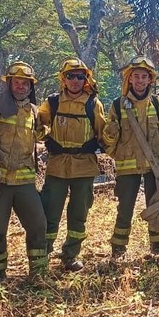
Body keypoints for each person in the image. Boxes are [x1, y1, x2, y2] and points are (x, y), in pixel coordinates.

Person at [0, 61, 47, 283]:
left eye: (26, 83)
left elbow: (40, 137)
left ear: (30, 86)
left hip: (25, 182)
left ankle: (38, 273)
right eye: (17, 82)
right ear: (9, 84)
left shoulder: (35, 112)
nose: (22, 87)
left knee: (38, 225)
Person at [103, 56, 159, 258]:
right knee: (125, 208)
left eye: (144, 77)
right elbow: (108, 144)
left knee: (156, 207)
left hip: (153, 167)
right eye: (135, 76)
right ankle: (118, 250)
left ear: (150, 80)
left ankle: (157, 249)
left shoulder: (157, 103)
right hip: (127, 168)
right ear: (129, 79)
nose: (139, 80)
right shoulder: (118, 105)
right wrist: (109, 133)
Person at [38, 56, 107, 272]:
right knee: (50, 211)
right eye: (70, 76)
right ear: (63, 79)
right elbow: (37, 125)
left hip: (84, 166)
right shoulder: (52, 102)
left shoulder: (93, 104)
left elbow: (104, 133)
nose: (75, 80)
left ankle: (70, 256)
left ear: (85, 79)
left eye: (80, 76)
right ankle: (42, 255)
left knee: (79, 213)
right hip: (57, 166)